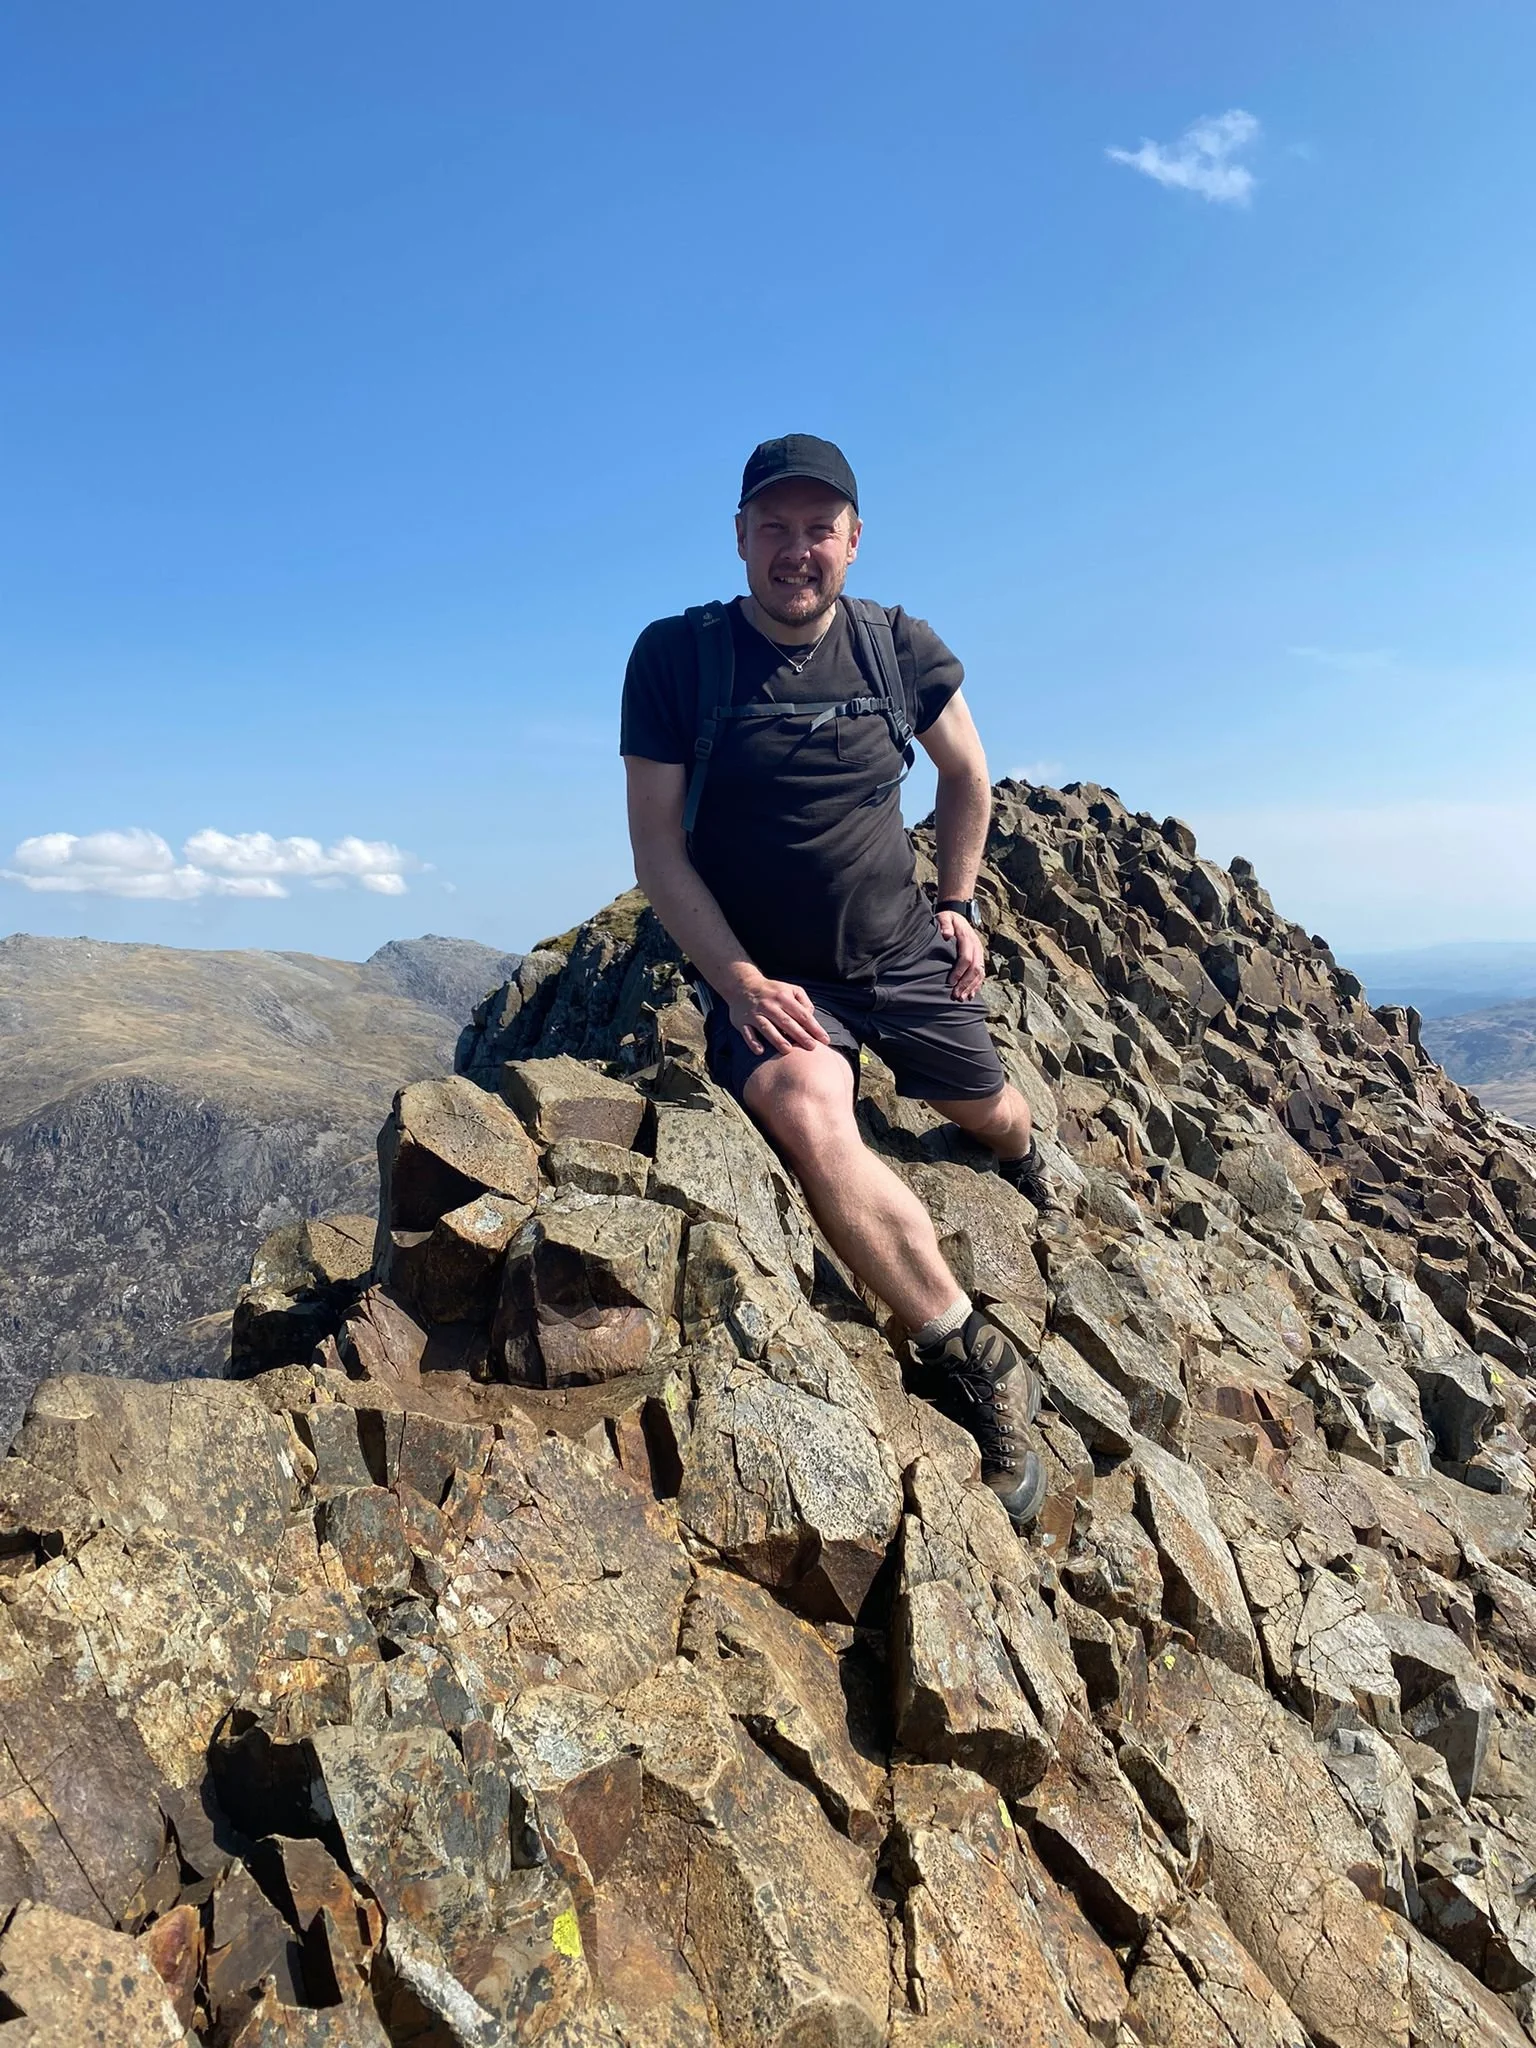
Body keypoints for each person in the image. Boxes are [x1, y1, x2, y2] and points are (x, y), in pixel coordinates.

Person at [621, 433, 1053, 1529]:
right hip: (779, 982)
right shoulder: (676, 660)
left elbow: (967, 775)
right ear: (739, 538)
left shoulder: (896, 647)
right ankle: (976, 1352)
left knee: (995, 1113)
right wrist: (737, 980)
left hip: (900, 950)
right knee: (807, 1114)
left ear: (854, 541)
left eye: (819, 528)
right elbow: (659, 851)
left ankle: (1015, 1147)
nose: (796, 549)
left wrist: (957, 905)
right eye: (774, 527)